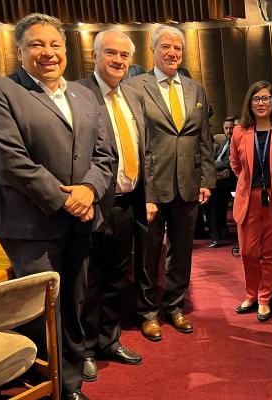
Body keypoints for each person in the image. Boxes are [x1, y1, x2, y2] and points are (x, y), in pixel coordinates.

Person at [0, 13, 113, 400]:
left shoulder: (84, 95)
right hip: (30, 225)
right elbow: (10, 160)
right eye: (36, 44)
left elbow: (104, 156)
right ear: (19, 51)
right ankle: (54, 387)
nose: (48, 52)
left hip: (81, 221)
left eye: (55, 44)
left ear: (65, 50)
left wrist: (89, 190)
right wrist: (67, 199)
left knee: (74, 303)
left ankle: (69, 382)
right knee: (44, 311)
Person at [124, 24, 215, 341]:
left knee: (182, 251)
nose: (173, 52)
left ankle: (175, 306)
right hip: (151, 185)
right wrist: (143, 190)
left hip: (188, 183)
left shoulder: (195, 88)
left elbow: (204, 137)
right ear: (152, 50)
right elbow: (133, 140)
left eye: (177, 47)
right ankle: (148, 312)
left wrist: (206, 179)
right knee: (148, 254)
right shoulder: (134, 87)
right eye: (166, 46)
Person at [75, 29, 145, 383]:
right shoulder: (76, 94)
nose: (118, 60)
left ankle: (109, 339)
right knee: (90, 281)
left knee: (118, 276)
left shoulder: (132, 95)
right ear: (95, 55)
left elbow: (143, 148)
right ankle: (86, 349)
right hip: (93, 203)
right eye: (111, 53)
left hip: (128, 203)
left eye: (124, 55)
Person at [230, 81, 272, 321]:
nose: (261, 103)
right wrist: (247, 182)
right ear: (250, 103)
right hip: (249, 199)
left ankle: (265, 297)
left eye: (266, 98)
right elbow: (235, 164)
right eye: (256, 98)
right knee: (248, 252)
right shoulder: (239, 131)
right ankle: (251, 294)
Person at [207, 116, 237, 248]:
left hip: (233, 178)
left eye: (231, 128)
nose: (229, 131)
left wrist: (212, 168)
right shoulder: (225, 142)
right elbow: (219, 159)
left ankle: (216, 234)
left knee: (212, 190)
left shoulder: (237, 142)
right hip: (221, 176)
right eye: (226, 128)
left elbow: (229, 163)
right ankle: (219, 230)